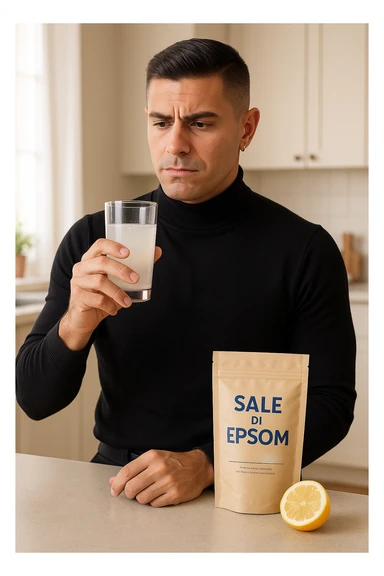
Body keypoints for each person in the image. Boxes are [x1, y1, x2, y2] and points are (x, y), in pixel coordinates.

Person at [16, 38, 356, 508]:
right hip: (119, 484)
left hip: (245, 489)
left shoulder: (304, 249)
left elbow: (331, 403)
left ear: (247, 128)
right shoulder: (93, 238)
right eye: (160, 122)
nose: (175, 144)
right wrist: (75, 321)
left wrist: (209, 464)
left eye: (200, 123)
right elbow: (34, 401)